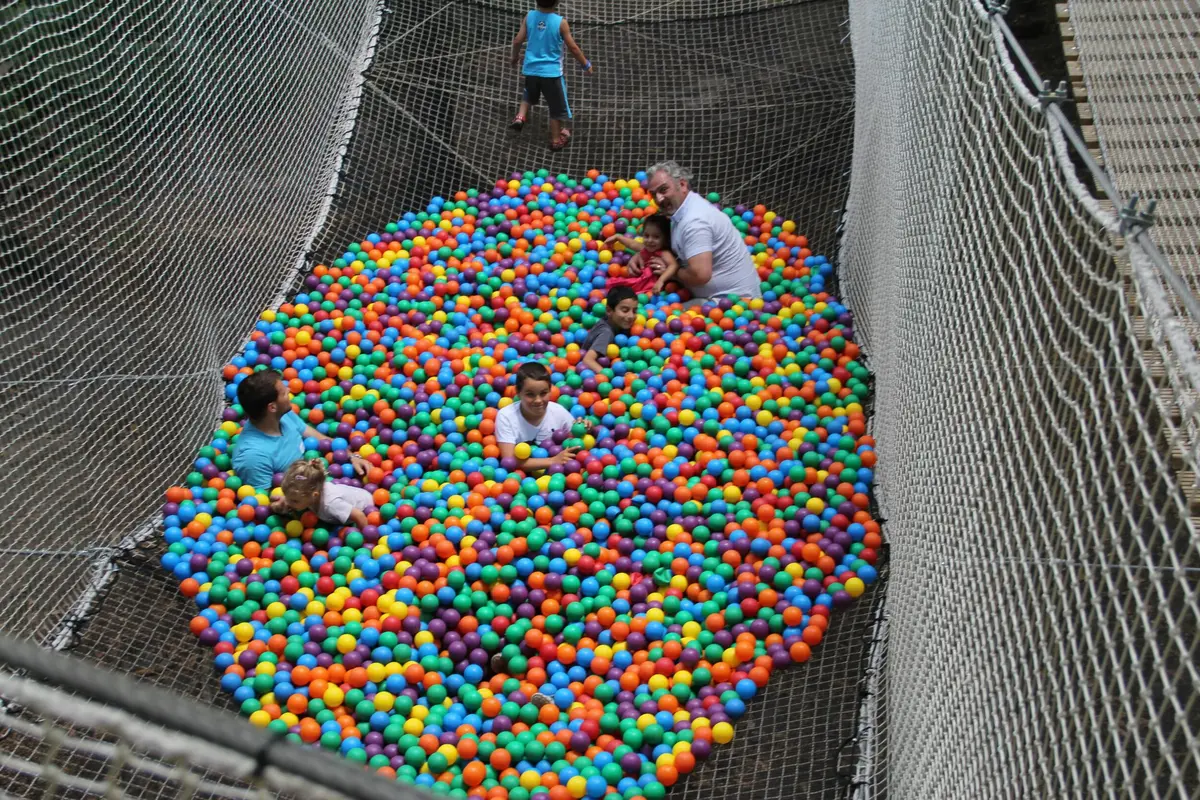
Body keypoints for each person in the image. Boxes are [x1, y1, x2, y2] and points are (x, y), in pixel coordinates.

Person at [637, 161, 763, 307]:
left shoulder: (694, 222)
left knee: (656, 313)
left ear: (682, 185)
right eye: (654, 194)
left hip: (733, 304)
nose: (659, 199)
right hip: (723, 299)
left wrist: (671, 271)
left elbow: (700, 276)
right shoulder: (684, 208)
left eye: (664, 190)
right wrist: (644, 254)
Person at [231, 369, 368, 489]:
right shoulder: (253, 457)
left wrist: (352, 456)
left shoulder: (282, 415)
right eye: (284, 393)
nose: (289, 391)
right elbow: (265, 503)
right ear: (272, 407)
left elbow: (321, 439)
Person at [509, 0, 593, 151]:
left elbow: (517, 40)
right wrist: (585, 64)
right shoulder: (561, 23)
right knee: (556, 107)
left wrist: (514, 57)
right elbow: (573, 48)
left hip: (531, 69)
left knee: (528, 93)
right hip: (552, 74)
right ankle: (556, 140)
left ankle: (520, 117)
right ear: (557, 2)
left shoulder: (529, 16)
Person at [496, 362, 583, 471]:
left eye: (543, 393)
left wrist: (585, 428)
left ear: (550, 391)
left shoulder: (558, 411)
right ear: (518, 392)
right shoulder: (506, 416)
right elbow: (509, 461)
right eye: (530, 394)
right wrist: (553, 461)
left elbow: (576, 441)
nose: (538, 400)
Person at [271, 458, 374, 528]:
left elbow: (359, 516)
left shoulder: (331, 504)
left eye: (294, 501)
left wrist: (365, 538)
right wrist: (285, 501)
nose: (289, 502)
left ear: (314, 495)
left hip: (366, 508)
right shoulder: (309, 490)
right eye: (287, 496)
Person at [604, 214, 681, 296]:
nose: (650, 240)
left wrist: (661, 281)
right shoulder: (646, 248)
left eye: (656, 237)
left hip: (652, 285)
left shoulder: (664, 253)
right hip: (640, 279)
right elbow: (632, 244)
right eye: (646, 236)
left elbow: (674, 265)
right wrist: (618, 237)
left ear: (665, 239)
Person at [580, 284, 639, 373]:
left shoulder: (610, 321)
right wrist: (609, 376)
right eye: (625, 310)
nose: (631, 316)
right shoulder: (606, 333)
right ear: (609, 311)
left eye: (634, 311)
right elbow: (588, 360)